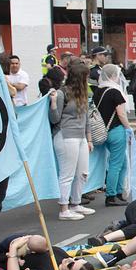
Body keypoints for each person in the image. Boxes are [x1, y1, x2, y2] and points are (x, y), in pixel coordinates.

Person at [49, 61, 95, 221]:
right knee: (67, 174)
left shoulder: (83, 93)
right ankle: (64, 208)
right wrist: (54, 103)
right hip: (65, 135)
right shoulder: (62, 93)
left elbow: (86, 118)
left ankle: (76, 203)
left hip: (80, 137)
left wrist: (89, 138)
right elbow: (54, 119)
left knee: (82, 173)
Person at [96, 63, 132, 207]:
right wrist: (128, 128)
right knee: (116, 164)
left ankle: (118, 192)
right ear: (112, 76)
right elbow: (121, 113)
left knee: (122, 163)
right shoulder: (115, 92)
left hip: (102, 130)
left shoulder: (98, 91)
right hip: (116, 129)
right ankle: (111, 195)